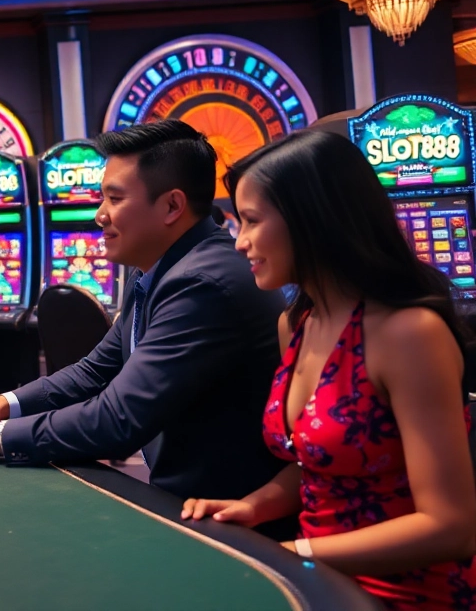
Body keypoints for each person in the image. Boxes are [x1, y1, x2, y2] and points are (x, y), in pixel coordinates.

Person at [0, 120, 285, 503]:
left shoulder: (202, 282)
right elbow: (94, 371)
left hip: (226, 517)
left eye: (115, 199)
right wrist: (1, 405)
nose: (99, 215)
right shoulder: (162, 267)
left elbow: (118, 418)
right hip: (187, 500)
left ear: (172, 206)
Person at [181, 131, 476, 608]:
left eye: (251, 220)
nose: (240, 241)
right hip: (319, 582)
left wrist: (292, 555)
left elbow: (451, 527)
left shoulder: (409, 333)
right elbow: (318, 463)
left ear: (311, 219)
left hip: (407, 594)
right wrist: (254, 507)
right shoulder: (296, 323)